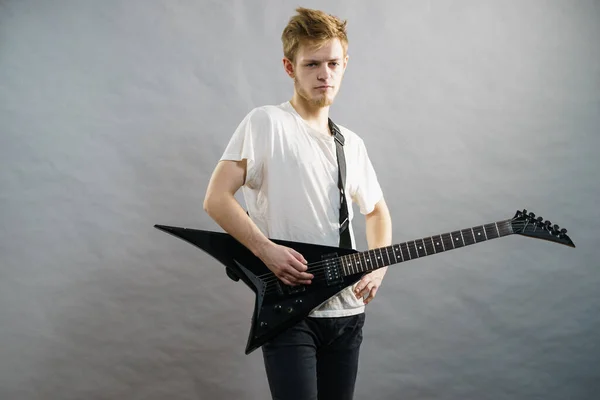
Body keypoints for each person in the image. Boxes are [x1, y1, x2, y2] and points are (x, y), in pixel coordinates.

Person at [203, 7, 392, 400]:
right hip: (291, 313)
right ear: (290, 67)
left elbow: (375, 211)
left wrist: (380, 261)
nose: (325, 74)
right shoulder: (265, 123)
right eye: (312, 64)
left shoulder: (351, 144)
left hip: (348, 314)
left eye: (333, 63)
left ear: (345, 65)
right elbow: (216, 199)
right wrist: (265, 250)